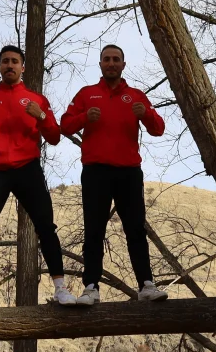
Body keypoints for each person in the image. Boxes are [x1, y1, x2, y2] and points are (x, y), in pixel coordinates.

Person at [0, 45, 78, 310]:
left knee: (46, 228)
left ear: (23, 67)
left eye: (14, 62)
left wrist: (41, 116)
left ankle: (61, 289)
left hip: (27, 169)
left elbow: (54, 137)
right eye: (5, 62)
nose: (10, 65)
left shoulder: (36, 100)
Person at [59, 44, 168, 304]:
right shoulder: (87, 94)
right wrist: (84, 117)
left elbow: (158, 129)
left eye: (116, 59)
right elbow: (64, 125)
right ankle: (91, 288)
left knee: (135, 229)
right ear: (100, 64)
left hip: (129, 171)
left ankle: (146, 286)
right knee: (94, 230)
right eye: (106, 59)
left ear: (123, 64)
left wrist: (147, 114)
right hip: (96, 171)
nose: (111, 63)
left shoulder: (135, 95)